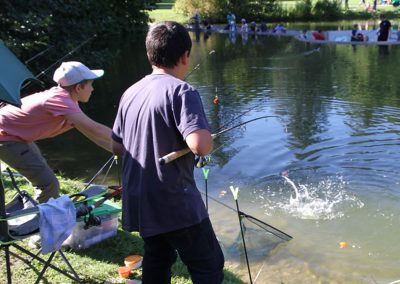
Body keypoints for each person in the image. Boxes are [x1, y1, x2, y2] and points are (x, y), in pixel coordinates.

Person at [111, 21, 224, 284]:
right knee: (209, 264)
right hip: (174, 201)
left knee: (158, 256)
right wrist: (208, 138)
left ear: (149, 53)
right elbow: (200, 145)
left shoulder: (130, 92)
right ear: (185, 56)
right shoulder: (182, 91)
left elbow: (116, 146)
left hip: (140, 198)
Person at [0, 61, 112, 203]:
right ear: (78, 87)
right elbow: (96, 129)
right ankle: (40, 221)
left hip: (16, 136)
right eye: (90, 84)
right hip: (5, 137)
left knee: (43, 176)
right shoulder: (60, 101)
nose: (92, 89)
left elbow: (93, 134)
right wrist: (130, 143)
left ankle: (44, 210)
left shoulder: (66, 99)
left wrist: (120, 150)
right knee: (48, 184)